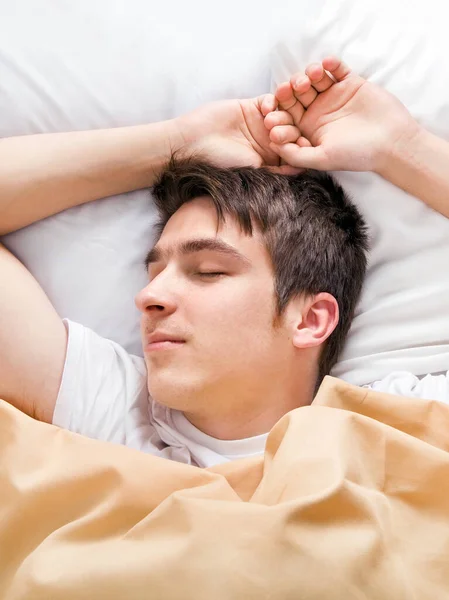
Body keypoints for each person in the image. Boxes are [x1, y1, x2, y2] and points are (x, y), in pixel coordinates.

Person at [0, 56, 447, 467]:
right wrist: (177, 143)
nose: (149, 296)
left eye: (207, 272)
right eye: (154, 273)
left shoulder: (401, 430)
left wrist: (402, 147)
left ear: (310, 319)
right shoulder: (117, 418)